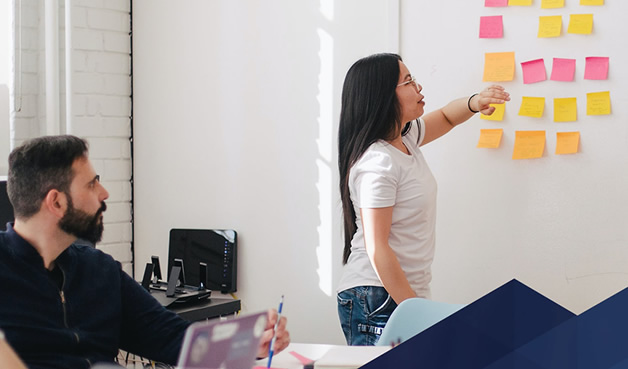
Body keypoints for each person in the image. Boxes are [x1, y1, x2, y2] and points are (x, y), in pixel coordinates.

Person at [0, 135, 290, 368]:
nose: (104, 193)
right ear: (57, 202)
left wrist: (247, 341)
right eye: (91, 184)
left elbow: (174, 338)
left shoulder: (100, 271)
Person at [336, 53, 510, 346]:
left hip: (398, 293)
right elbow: (377, 247)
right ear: (382, 96)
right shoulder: (377, 163)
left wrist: (475, 102)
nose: (418, 87)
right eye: (408, 81)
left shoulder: (405, 140)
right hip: (375, 295)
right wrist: (415, 311)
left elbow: (445, 116)